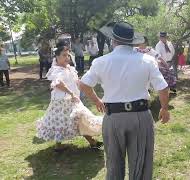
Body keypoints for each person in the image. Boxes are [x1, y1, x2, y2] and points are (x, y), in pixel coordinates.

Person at [80, 22, 170, 179]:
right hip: (141, 116)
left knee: (114, 165)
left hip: (113, 117)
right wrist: (164, 108)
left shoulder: (101, 61)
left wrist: (96, 101)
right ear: (132, 40)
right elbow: (163, 87)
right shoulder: (147, 60)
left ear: (113, 40)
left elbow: (83, 84)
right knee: (141, 164)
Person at [37, 41, 103, 152]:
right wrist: (71, 93)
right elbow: (58, 84)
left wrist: (81, 86)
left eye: (68, 55)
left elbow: (75, 81)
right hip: (63, 100)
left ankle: (90, 142)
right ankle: (92, 142)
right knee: (76, 119)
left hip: (71, 99)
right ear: (57, 56)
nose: (67, 57)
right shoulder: (56, 69)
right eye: (64, 55)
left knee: (70, 120)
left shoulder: (68, 67)